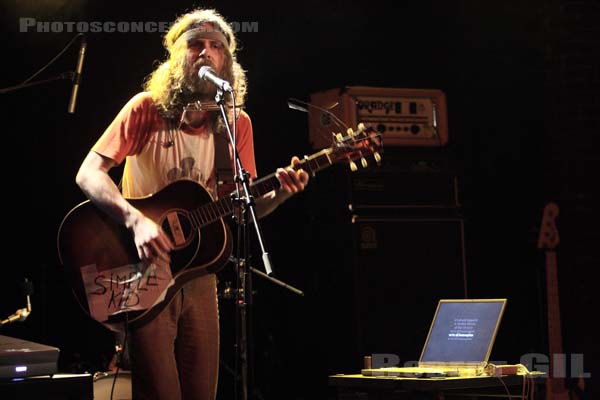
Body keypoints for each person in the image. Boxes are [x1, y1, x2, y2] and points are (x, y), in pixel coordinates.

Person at [75, 8, 309, 400]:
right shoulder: (145, 109)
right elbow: (88, 173)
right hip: (140, 267)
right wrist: (136, 221)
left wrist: (282, 191)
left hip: (198, 272)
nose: (205, 52)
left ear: (226, 62)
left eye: (215, 46)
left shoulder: (236, 125)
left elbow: (242, 208)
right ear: (177, 57)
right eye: (195, 44)